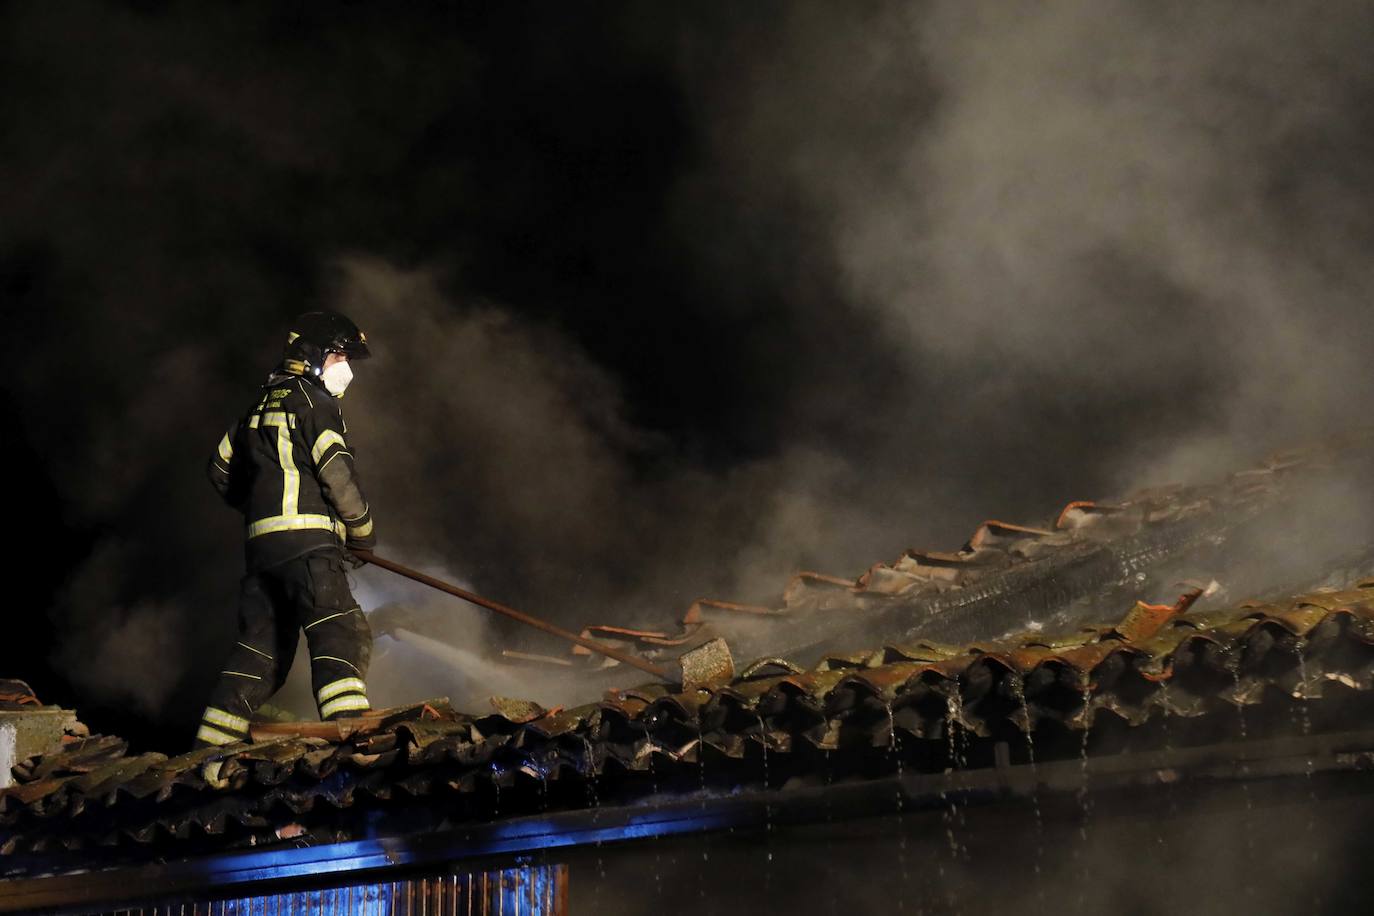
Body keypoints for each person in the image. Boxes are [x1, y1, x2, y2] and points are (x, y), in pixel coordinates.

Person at [194, 311, 378, 749]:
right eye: (339, 356)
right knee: (340, 630)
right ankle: (354, 740)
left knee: (261, 656)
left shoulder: (257, 406)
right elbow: (337, 474)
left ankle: (208, 753)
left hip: (262, 554)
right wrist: (362, 532)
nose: (345, 368)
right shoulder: (315, 403)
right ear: (312, 356)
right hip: (310, 547)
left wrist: (260, 508)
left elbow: (219, 469)